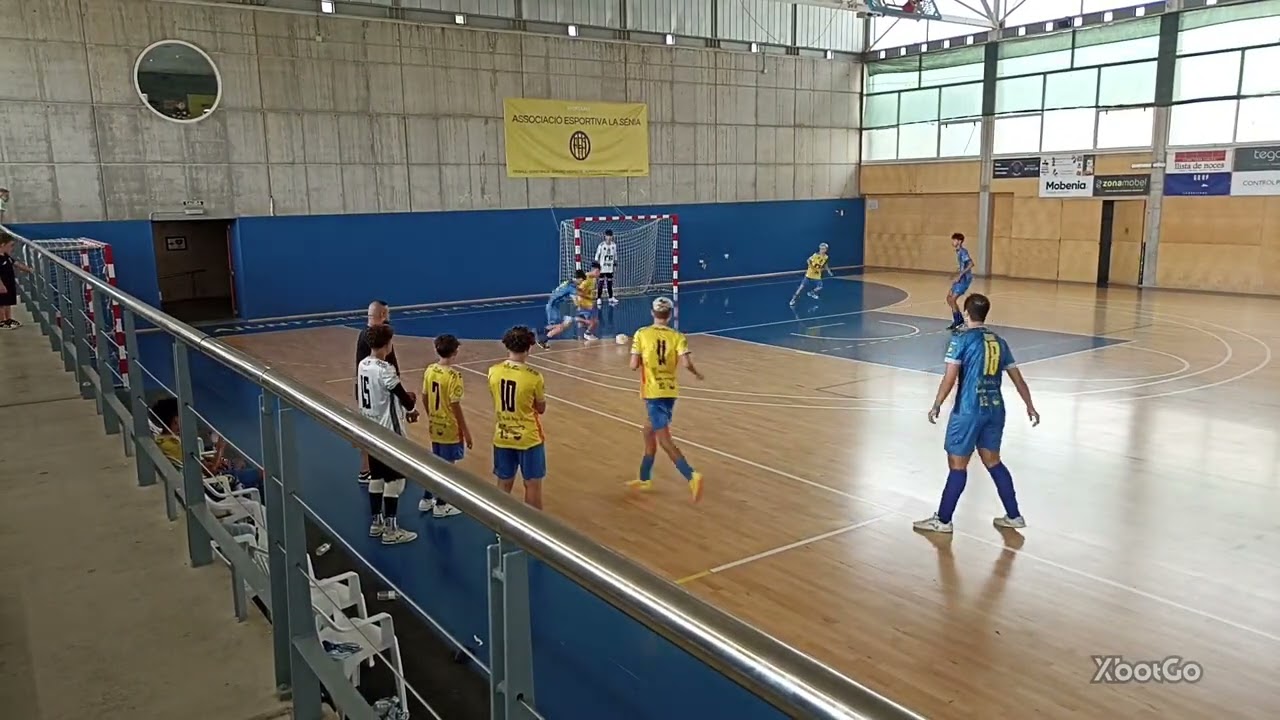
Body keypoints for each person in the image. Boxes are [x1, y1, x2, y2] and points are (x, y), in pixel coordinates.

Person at [914, 294, 1039, 534]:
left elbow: (950, 377)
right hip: (995, 408)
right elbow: (1018, 379)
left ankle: (943, 520)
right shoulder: (999, 342)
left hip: (969, 410)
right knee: (993, 461)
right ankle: (1014, 515)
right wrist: (1029, 405)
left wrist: (937, 403)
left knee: (957, 465)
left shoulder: (961, 340)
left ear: (967, 313)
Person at [626, 297, 705, 502]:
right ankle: (644, 478)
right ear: (669, 315)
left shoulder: (642, 334)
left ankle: (691, 475)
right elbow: (686, 363)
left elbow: (633, 365)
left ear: (652, 313)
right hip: (670, 391)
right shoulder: (677, 336)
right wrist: (697, 374)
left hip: (653, 392)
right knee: (648, 431)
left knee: (663, 439)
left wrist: (642, 358)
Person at [149, 397, 260, 538]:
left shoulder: (165, 441)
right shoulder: (175, 446)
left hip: (203, 484)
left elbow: (201, 464)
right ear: (176, 420)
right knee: (258, 475)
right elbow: (210, 471)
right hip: (210, 489)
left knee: (240, 465)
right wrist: (220, 449)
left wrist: (213, 458)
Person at [357, 323, 419, 545]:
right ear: (387, 345)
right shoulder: (386, 369)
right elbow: (402, 396)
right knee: (396, 480)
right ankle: (392, 530)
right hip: (389, 431)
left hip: (370, 428)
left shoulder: (363, 364)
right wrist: (412, 408)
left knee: (377, 476)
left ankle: (376, 522)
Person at [487, 326, 547, 509]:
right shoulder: (534, 377)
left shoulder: (493, 371)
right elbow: (541, 407)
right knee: (532, 484)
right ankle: (533, 530)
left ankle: (500, 528)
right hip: (528, 438)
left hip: (503, 435)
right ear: (529, 348)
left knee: (503, 483)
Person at [420, 334, 467, 518]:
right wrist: (466, 431)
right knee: (447, 466)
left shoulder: (430, 370)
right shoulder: (454, 376)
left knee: (435, 460)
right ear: (455, 352)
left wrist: (431, 415)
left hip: (435, 422)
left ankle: (426, 498)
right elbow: (455, 405)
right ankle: (441, 504)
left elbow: (424, 396)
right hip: (449, 426)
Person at [356, 300, 398, 484]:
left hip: (365, 387)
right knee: (386, 427)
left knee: (369, 426)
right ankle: (380, 469)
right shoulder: (378, 337)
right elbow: (387, 362)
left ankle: (368, 470)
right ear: (382, 315)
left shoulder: (363, 334)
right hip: (378, 389)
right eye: (387, 313)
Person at [536, 273, 582, 349]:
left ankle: (542, 332)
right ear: (578, 278)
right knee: (560, 327)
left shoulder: (566, 282)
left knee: (562, 325)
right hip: (553, 307)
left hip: (553, 305)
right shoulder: (571, 287)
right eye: (581, 280)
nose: (581, 282)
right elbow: (576, 299)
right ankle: (542, 339)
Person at [0, 233, 32, 329]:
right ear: (3, 245)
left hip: (8, 282)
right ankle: (2, 321)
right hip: (2, 283)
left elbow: (15, 263)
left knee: (8, 302)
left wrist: (28, 269)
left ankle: (8, 319)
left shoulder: (6, 256)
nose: (12, 248)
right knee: (1, 303)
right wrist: (0, 285)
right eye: (11, 245)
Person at [946, 232, 973, 331]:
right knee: (949, 298)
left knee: (953, 299)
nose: (952, 242)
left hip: (964, 279)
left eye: (954, 240)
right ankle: (958, 320)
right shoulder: (958, 252)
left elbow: (970, 264)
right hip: (960, 278)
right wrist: (955, 274)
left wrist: (960, 275)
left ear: (960, 241)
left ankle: (958, 321)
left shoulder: (963, 252)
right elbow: (962, 266)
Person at [575, 262, 601, 341]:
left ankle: (581, 325)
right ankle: (587, 333)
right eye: (599, 272)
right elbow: (578, 291)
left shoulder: (593, 279)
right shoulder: (587, 279)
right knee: (595, 321)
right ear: (596, 271)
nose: (600, 274)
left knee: (583, 322)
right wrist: (587, 298)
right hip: (584, 303)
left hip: (586, 302)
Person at [594, 230, 619, 306]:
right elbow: (596, 257)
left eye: (610, 236)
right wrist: (598, 267)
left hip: (609, 268)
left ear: (612, 236)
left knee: (610, 283)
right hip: (602, 268)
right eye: (607, 236)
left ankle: (611, 297)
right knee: (601, 283)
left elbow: (615, 256)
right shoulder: (601, 245)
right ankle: (598, 298)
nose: (609, 237)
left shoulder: (614, 245)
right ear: (605, 236)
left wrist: (615, 264)